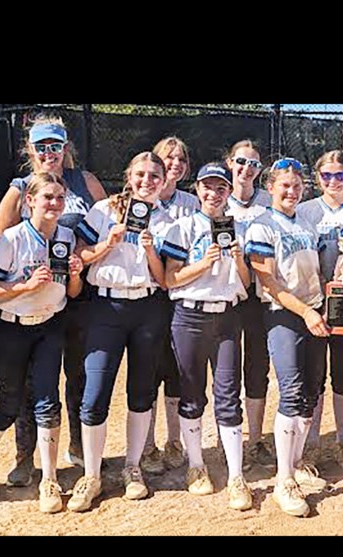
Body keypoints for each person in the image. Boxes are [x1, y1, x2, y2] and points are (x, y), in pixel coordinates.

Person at [0, 114, 106, 487]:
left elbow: (104, 227)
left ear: (65, 147)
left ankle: (77, 447)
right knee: (30, 381)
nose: (48, 153)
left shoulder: (84, 182)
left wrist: (82, 261)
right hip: (35, 299)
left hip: (78, 294)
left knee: (78, 374)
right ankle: (25, 457)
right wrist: (25, 277)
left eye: (55, 145)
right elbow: (0, 241)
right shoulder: (19, 188)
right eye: (40, 146)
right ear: (30, 150)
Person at [0, 174, 84, 514]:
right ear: (29, 200)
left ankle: (49, 480)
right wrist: (24, 287)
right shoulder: (13, 238)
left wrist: (74, 273)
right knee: (9, 403)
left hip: (50, 325)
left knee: (48, 400)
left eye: (60, 198)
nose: (55, 204)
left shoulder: (66, 235)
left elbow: (71, 293)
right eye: (47, 197)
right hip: (12, 328)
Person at [65, 152, 172, 512]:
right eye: (140, 174)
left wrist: (151, 249)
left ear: (163, 179)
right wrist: (106, 244)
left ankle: (132, 467)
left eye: (154, 175)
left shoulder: (167, 218)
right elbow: (79, 255)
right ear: (128, 175)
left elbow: (164, 279)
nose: (147, 181)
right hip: (105, 308)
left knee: (142, 391)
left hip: (148, 307)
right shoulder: (104, 209)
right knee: (95, 392)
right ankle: (92, 475)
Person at [160, 163, 253, 509]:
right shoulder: (182, 227)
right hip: (189, 315)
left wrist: (239, 259)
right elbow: (171, 279)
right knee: (191, 393)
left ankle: (235, 476)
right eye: (207, 187)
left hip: (227, 316)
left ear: (229, 192)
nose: (213, 194)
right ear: (197, 189)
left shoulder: (238, 227)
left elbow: (245, 283)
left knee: (229, 395)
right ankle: (196, 466)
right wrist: (204, 263)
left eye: (221, 188)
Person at [245, 157, 328, 517]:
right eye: (284, 185)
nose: (291, 190)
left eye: (296, 185)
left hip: (315, 311)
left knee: (312, 390)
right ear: (270, 188)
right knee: (292, 391)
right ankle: (283, 480)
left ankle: (294, 464)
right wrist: (307, 312)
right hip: (285, 314)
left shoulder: (307, 222)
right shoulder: (261, 225)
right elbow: (270, 284)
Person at [296, 150, 343, 469]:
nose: (333, 181)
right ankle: (312, 442)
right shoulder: (305, 210)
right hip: (314, 302)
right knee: (314, 375)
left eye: (340, 175)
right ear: (317, 178)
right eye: (326, 175)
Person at [143, 136, 201, 473]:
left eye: (181, 158)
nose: (175, 163)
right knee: (148, 373)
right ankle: (148, 445)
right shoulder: (137, 202)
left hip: (180, 298)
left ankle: (174, 440)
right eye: (169, 157)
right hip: (149, 298)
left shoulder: (192, 203)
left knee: (177, 372)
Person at [225, 140, 276, 472]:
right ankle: (228, 441)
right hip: (225, 297)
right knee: (226, 373)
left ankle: (255, 439)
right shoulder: (213, 199)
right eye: (241, 162)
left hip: (258, 297)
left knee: (257, 368)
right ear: (230, 162)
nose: (247, 169)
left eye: (254, 164)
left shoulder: (269, 204)